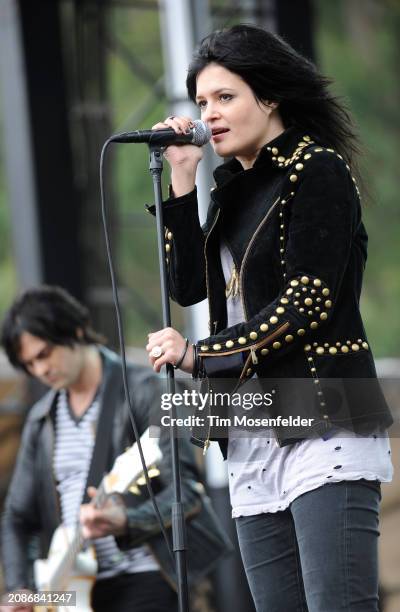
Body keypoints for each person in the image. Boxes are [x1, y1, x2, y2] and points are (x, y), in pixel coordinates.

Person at [144, 24, 394, 612]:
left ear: (271, 96)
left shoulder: (318, 170)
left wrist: (198, 355)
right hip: (253, 427)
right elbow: (188, 288)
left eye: (225, 97)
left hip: (324, 417)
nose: (211, 114)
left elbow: (307, 303)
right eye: (202, 102)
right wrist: (183, 177)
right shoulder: (232, 186)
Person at [0, 286, 230, 612]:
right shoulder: (41, 420)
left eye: (45, 353)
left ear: (77, 331)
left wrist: (127, 521)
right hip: (74, 591)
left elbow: (187, 491)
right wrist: (19, 587)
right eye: (30, 364)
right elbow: (17, 517)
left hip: (149, 575)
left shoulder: (148, 388)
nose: (40, 370)